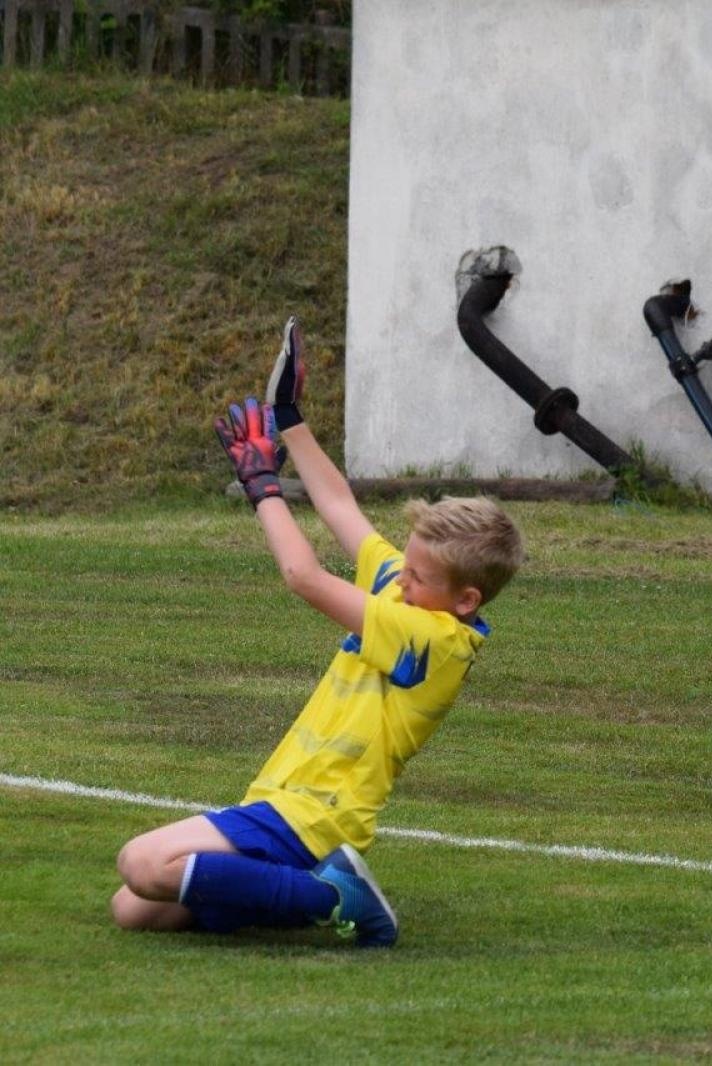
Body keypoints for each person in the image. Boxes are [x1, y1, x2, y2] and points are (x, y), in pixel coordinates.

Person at [109, 318, 524, 947]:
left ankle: (333, 895)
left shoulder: (435, 640)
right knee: (134, 906)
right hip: (284, 801)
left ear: (465, 601)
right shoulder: (406, 591)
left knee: (142, 863)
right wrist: (290, 418)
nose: (400, 579)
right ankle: (309, 892)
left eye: (419, 576)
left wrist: (262, 486)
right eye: (405, 565)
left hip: (316, 815)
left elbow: (303, 575)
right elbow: (339, 507)